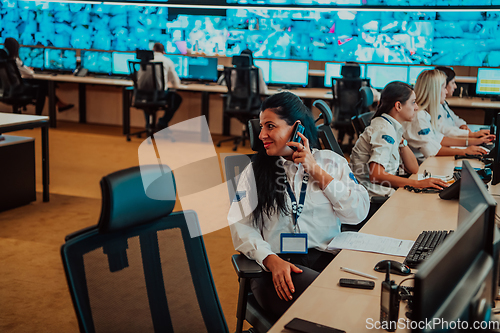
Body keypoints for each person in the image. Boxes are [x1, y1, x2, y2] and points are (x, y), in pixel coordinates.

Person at [228, 91, 369, 317]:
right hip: (277, 270)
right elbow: (241, 226)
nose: (262, 134)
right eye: (261, 126)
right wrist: (270, 260)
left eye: (270, 126)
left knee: (371, 291)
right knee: (343, 304)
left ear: (296, 128)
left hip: (327, 259)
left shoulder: (332, 163)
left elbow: (358, 213)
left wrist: (315, 170)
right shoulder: (254, 171)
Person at [349, 81, 449, 202]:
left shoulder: (391, 127)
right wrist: (417, 183)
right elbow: (376, 175)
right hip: (374, 200)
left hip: (384, 193)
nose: (416, 107)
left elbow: (414, 169)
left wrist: (402, 142)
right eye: (413, 103)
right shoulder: (384, 130)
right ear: (398, 106)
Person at [403, 69, 494, 162]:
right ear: (435, 90)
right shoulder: (419, 117)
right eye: (443, 87)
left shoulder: (425, 114)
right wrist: (464, 151)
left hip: (427, 161)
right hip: (421, 164)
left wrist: (474, 141)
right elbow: (431, 150)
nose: (446, 92)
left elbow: (439, 139)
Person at [3, 37, 74, 115]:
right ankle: (39, 116)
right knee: (43, 88)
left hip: (9, 90)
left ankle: (58, 104)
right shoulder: (15, 60)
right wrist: (30, 70)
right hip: (19, 89)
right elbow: (30, 74)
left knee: (43, 85)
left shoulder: (5, 61)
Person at [434, 66, 490, 138]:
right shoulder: (434, 106)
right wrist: (469, 135)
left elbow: (454, 118)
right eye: (453, 83)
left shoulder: (443, 104)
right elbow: (443, 130)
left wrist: (462, 125)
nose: (455, 86)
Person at [151, 42, 183, 130]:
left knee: (148, 104)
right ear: (164, 52)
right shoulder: (167, 61)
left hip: (143, 94)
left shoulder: (145, 60)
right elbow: (176, 84)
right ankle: (162, 122)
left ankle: (148, 125)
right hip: (160, 94)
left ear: (153, 50)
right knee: (177, 98)